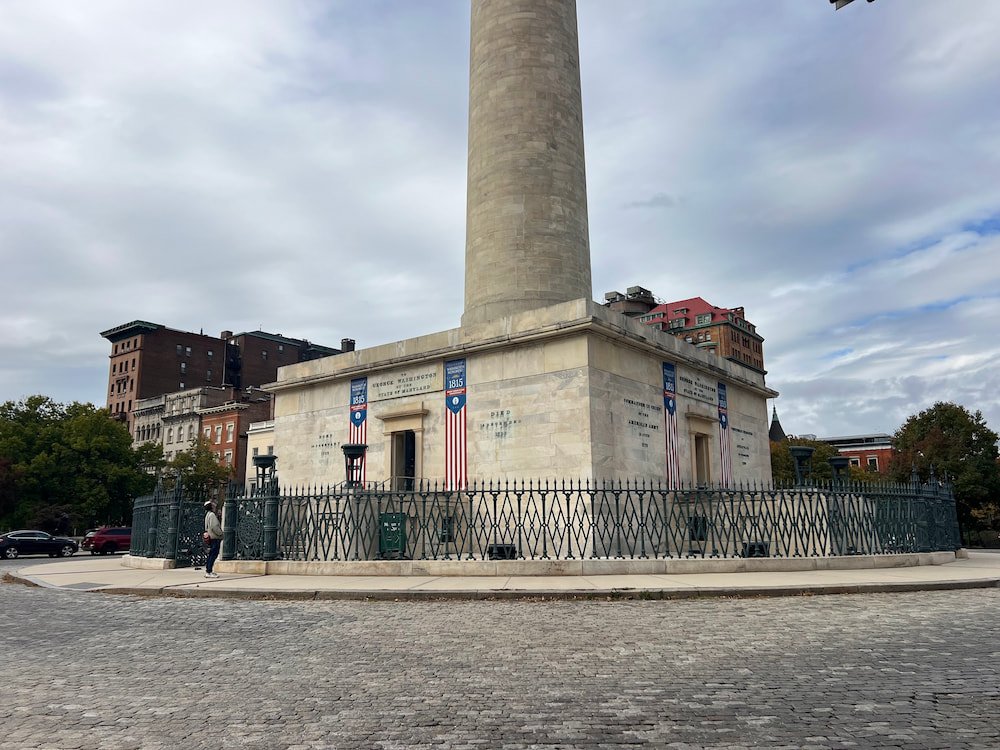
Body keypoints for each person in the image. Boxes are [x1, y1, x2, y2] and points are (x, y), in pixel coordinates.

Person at [203, 500, 223, 578]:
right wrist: (221, 533)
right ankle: (209, 571)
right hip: (214, 537)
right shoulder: (212, 515)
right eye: (213, 506)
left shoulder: (208, 515)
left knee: (211, 554)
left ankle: (208, 570)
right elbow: (214, 527)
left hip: (211, 537)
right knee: (213, 555)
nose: (215, 507)